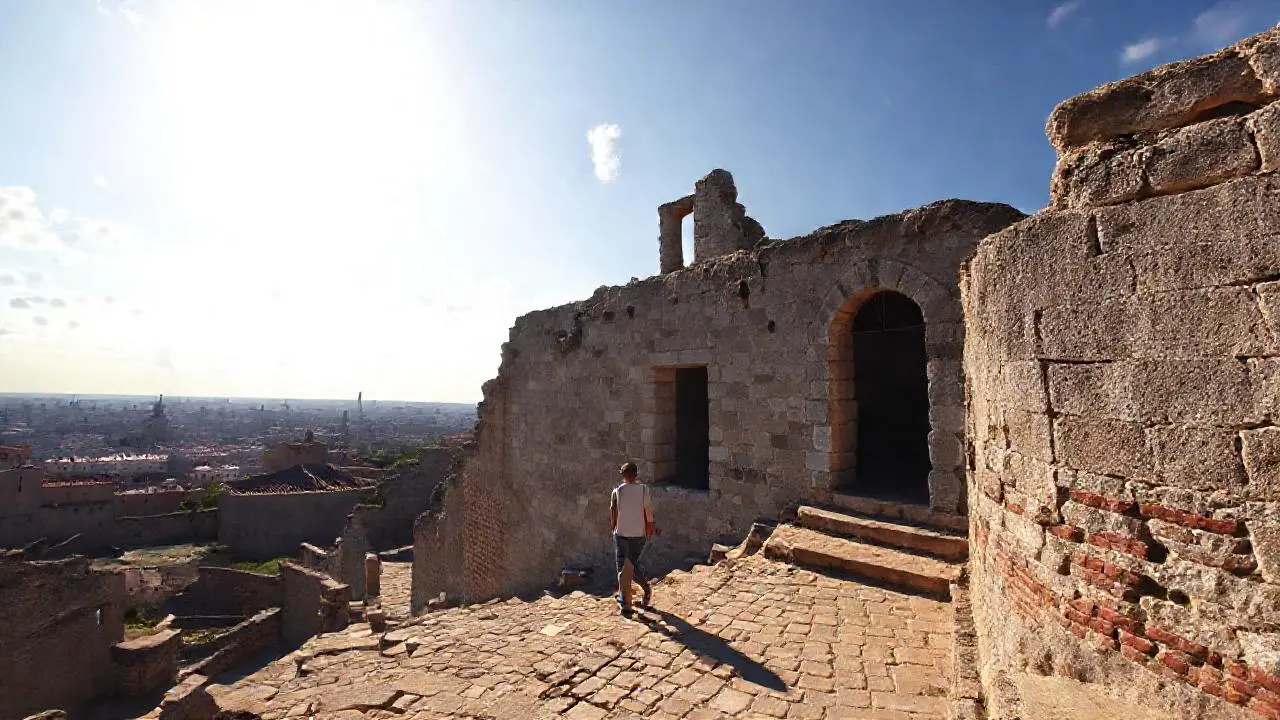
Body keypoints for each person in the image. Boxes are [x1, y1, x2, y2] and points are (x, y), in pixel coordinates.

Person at [610, 461, 656, 615]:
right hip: (638, 534)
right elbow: (648, 510)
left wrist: (613, 528)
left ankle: (626, 601)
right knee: (631, 565)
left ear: (623, 476)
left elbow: (613, 513)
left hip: (621, 534)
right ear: (635, 475)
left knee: (622, 567)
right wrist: (649, 528)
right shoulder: (643, 490)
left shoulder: (617, 491)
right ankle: (644, 590)